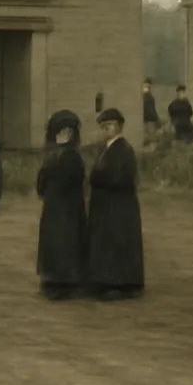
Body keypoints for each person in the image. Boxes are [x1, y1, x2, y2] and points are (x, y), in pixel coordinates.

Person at [87, 108, 144, 300]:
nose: (105, 129)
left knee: (117, 243)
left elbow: (118, 178)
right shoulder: (106, 149)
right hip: (107, 205)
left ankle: (118, 283)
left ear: (119, 127)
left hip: (119, 206)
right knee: (107, 243)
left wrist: (98, 178)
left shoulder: (124, 150)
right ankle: (105, 281)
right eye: (103, 126)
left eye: (109, 125)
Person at [35, 109, 87, 300]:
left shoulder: (72, 156)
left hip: (68, 208)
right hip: (53, 206)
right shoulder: (53, 155)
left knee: (65, 243)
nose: (63, 136)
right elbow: (41, 181)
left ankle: (64, 283)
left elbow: (71, 180)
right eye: (60, 132)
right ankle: (51, 279)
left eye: (67, 132)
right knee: (52, 243)